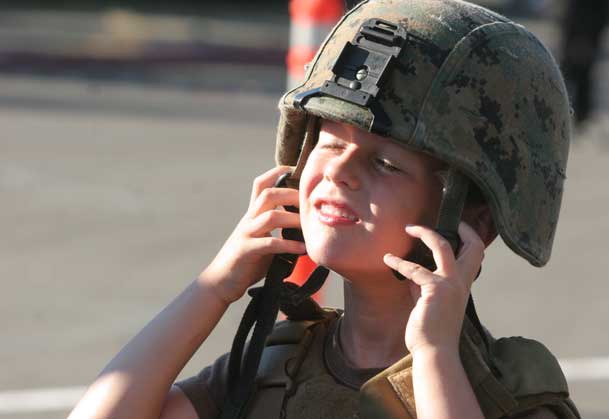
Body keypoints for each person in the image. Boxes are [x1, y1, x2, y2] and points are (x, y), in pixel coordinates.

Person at [68, 0, 580, 418]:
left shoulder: (508, 396)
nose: (338, 172)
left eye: (385, 163)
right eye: (330, 145)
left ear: (475, 220)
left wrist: (434, 355)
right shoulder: (272, 370)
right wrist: (214, 287)